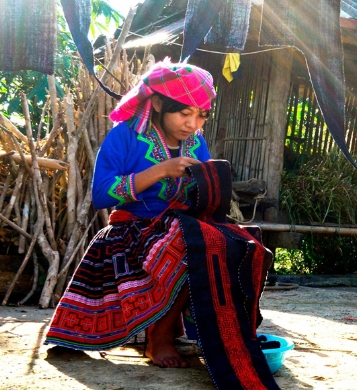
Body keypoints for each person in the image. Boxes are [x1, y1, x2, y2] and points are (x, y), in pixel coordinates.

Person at [44, 60, 279, 389]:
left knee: (246, 245)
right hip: (131, 229)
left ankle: (225, 333)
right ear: (157, 103)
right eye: (185, 113)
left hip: (180, 227)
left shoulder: (196, 143)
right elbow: (100, 195)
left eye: (201, 115)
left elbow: (204, 192)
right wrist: (161, 170)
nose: (193, 123)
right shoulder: (125, 137)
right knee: (191, 245)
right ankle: (160, 338)